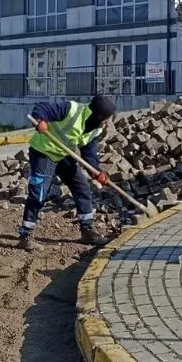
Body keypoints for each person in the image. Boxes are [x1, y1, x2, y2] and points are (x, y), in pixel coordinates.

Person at [16, 95, 118, 251]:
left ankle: (87, 230)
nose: (108, 123)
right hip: (43, 152)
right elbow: (42, 108)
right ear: (97, 115)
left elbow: (88, 152)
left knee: (82, 187)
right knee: (39, 192)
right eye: (107, 119)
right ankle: (26, 235)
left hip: (63, 156)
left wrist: (96, 172)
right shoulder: (72, 109)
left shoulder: (96, 129)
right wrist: (41, 120)